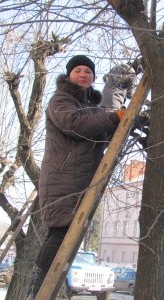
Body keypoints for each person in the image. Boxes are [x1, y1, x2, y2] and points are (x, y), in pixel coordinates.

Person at [26, 55, 124, 300]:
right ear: (69, 75)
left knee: (66, 234)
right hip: (63, 176)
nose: (83, 74)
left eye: (88, 71)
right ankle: (38, 289)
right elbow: (74, 125)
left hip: (82, 178)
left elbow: (100, 132)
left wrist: (126, 123)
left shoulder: (91, 106)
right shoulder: (61, 99)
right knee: (60, 231)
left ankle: (45, 289)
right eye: (78, 70)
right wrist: (115, 118)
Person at [99, 58, 150, 149]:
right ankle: (143, 133)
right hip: (114, 107)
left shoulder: (116, 68)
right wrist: (148, 103)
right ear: (138, 68)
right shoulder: (131, 74)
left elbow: (105, 78)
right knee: (128, 120)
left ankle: (142, 134)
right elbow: (132, 95)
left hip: (102, 106)